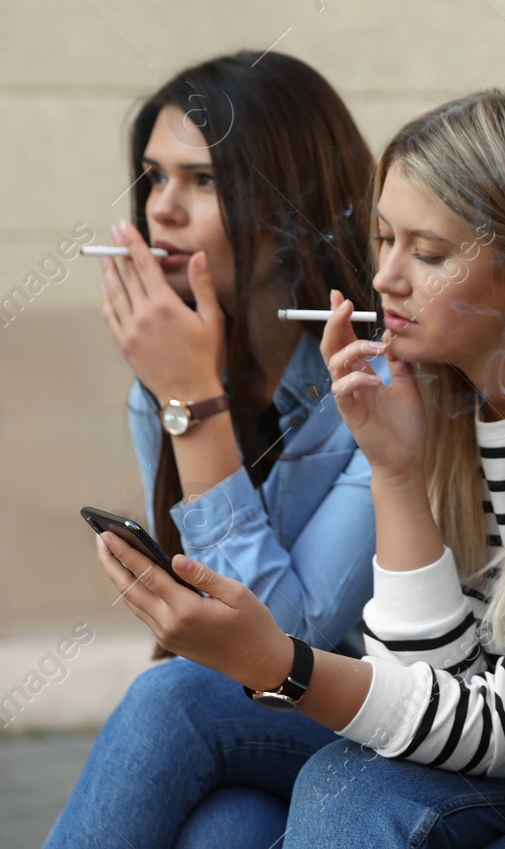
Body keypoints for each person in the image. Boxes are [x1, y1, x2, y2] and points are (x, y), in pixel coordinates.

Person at [93, 89, 505, 849]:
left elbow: (503, 725)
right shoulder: (443, 391)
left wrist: (281, 664)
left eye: (427, 253)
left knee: (347, 792)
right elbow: (438, 686)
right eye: (382, 239)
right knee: (209, 779)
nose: (385, 279)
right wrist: (397, 470)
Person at [48, 50, 380, 848]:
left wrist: (194, 406)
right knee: (225, 831)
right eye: (154, 177)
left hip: (382, 712)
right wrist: (180, 392)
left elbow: (282, 640)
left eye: (202, 179)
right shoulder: (161, 383)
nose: (162, 208)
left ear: (295, 201)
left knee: (172, 700)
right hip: (267, 722)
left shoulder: (375, 379)